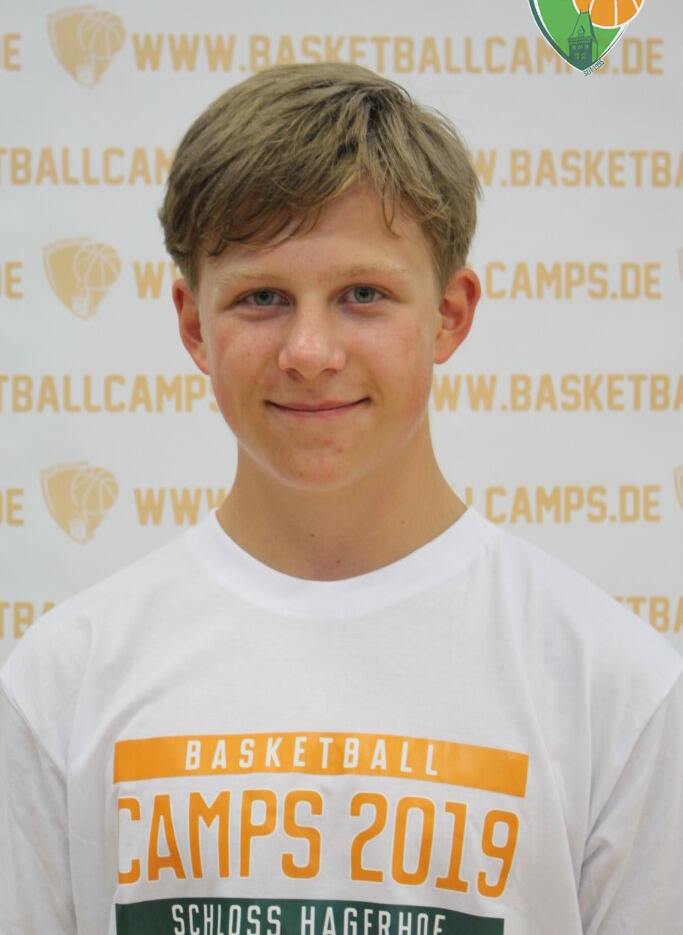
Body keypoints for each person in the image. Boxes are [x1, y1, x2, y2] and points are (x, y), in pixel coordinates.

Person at [0, 63, 681, 935]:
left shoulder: (610, 686)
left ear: (449, 315)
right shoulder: (62, 682)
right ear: (194, 326)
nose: (310, 352)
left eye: (364, 295)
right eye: (262, 298)